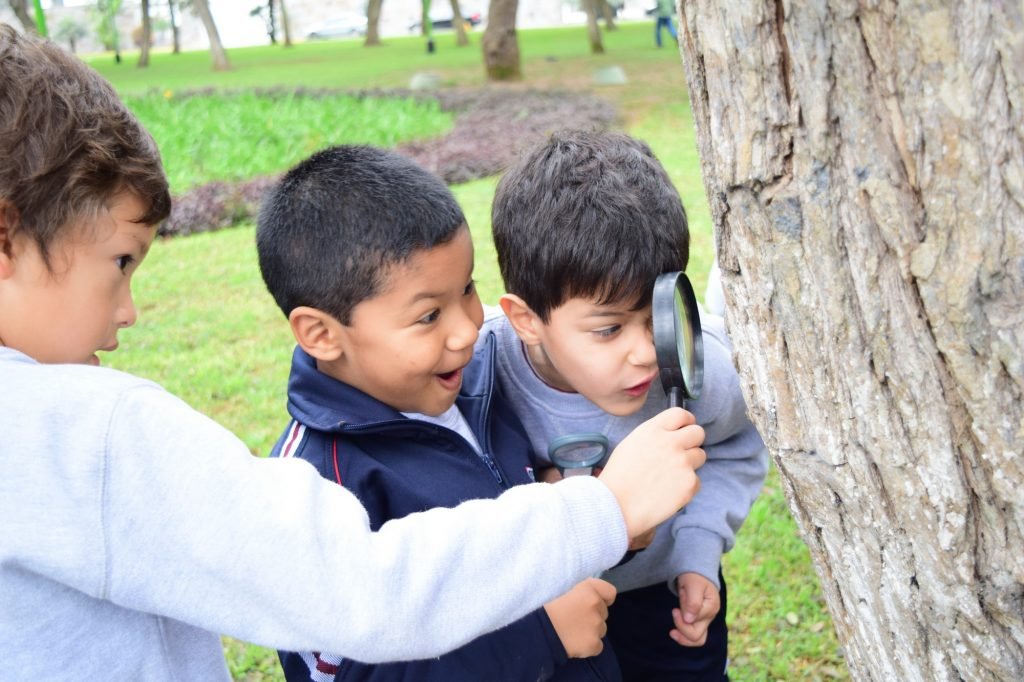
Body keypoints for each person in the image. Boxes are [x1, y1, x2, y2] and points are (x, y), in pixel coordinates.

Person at [0, 26, 708, 680]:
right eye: (121, 261)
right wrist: (602, 509)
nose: (129, 309)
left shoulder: (470, 384)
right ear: (8, 238)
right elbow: (360, 594)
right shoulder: (85, 433)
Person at [255, 144, 706, 681]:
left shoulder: (478, 382)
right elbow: (335, 672)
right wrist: (539, 635)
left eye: (467, 289)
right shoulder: (313, 487)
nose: (469, 328)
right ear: (322, 334)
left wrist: (602, 527)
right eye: (428, 316)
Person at [487, 129, 769, 681]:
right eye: (609, 328)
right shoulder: (479, 376)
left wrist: (698, 551)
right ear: (527, 320)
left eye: (654, 317)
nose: (645, 353)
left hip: (662, 595)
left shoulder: (701, 370)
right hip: (541, 606)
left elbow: (736, 442)